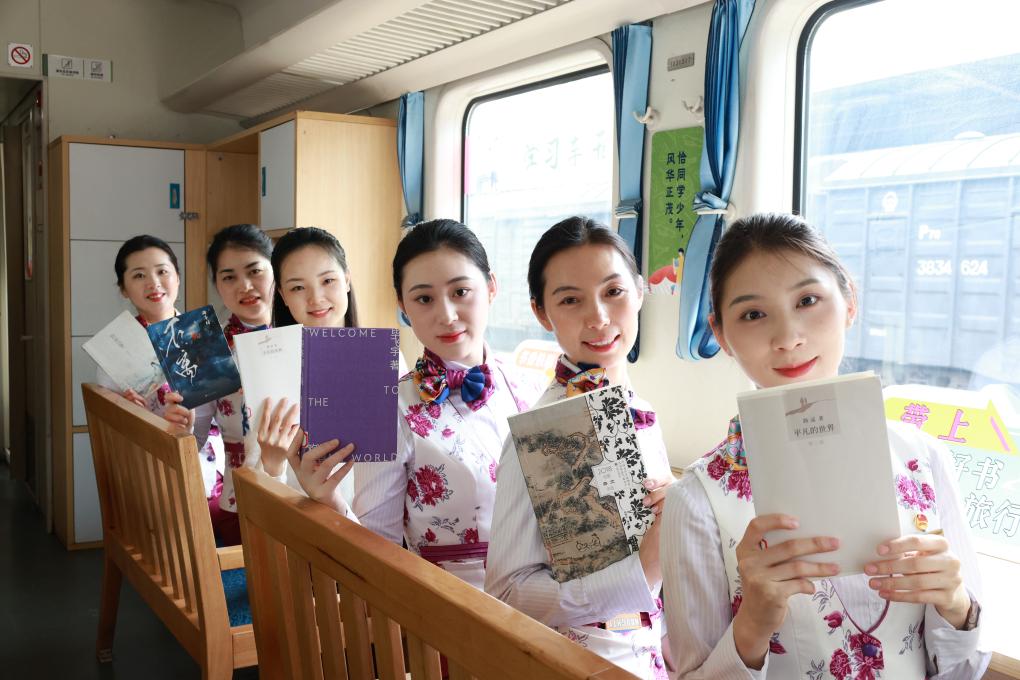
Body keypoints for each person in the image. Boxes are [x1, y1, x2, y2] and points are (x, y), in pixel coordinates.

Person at [660, 212, 990, 678]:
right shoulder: (696, 501)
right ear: (721, 336)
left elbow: (968, 669)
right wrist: (752, 624)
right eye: (753, 314)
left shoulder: (923, 459)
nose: (788, 338)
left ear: (849, 301)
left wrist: (955, 604)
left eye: (808, 300)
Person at [259, 219, 541, 589]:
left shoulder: (533, 389)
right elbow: (377, 548)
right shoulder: (389, 405)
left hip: (545, 602)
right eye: (424, 298)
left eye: (460, 291)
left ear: (491, 287)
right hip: (451, 603)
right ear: (402, 305)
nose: (447, 315)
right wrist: (326, 497)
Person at [484, 216, 673, 679]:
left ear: (640, 293)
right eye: (571, 300)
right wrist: (644, 570)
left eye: (614, 291)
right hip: (577, 663)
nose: (599, 317)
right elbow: (506, 593)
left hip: (651, 657)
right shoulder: (538, 434)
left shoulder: (642, 410)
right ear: (542, 312)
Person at [98, 234, 221, 496]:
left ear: (177, 277)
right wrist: (135, 418)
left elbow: (221, 419)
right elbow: (112, 436)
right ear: (123, 288)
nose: (153, 283)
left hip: (209, 466)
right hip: (150, 472)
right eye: (139, 275)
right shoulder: (114, 351)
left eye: (162, 271)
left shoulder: (202, 334)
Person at [204, 224, 274, 544]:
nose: (245, 286)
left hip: (310, 492)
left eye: (255, 271)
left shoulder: (307, 331)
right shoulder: (207, 347)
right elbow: (195, 436)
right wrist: (183, 419)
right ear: (217, 285)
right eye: (229, 277)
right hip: (240, 494)